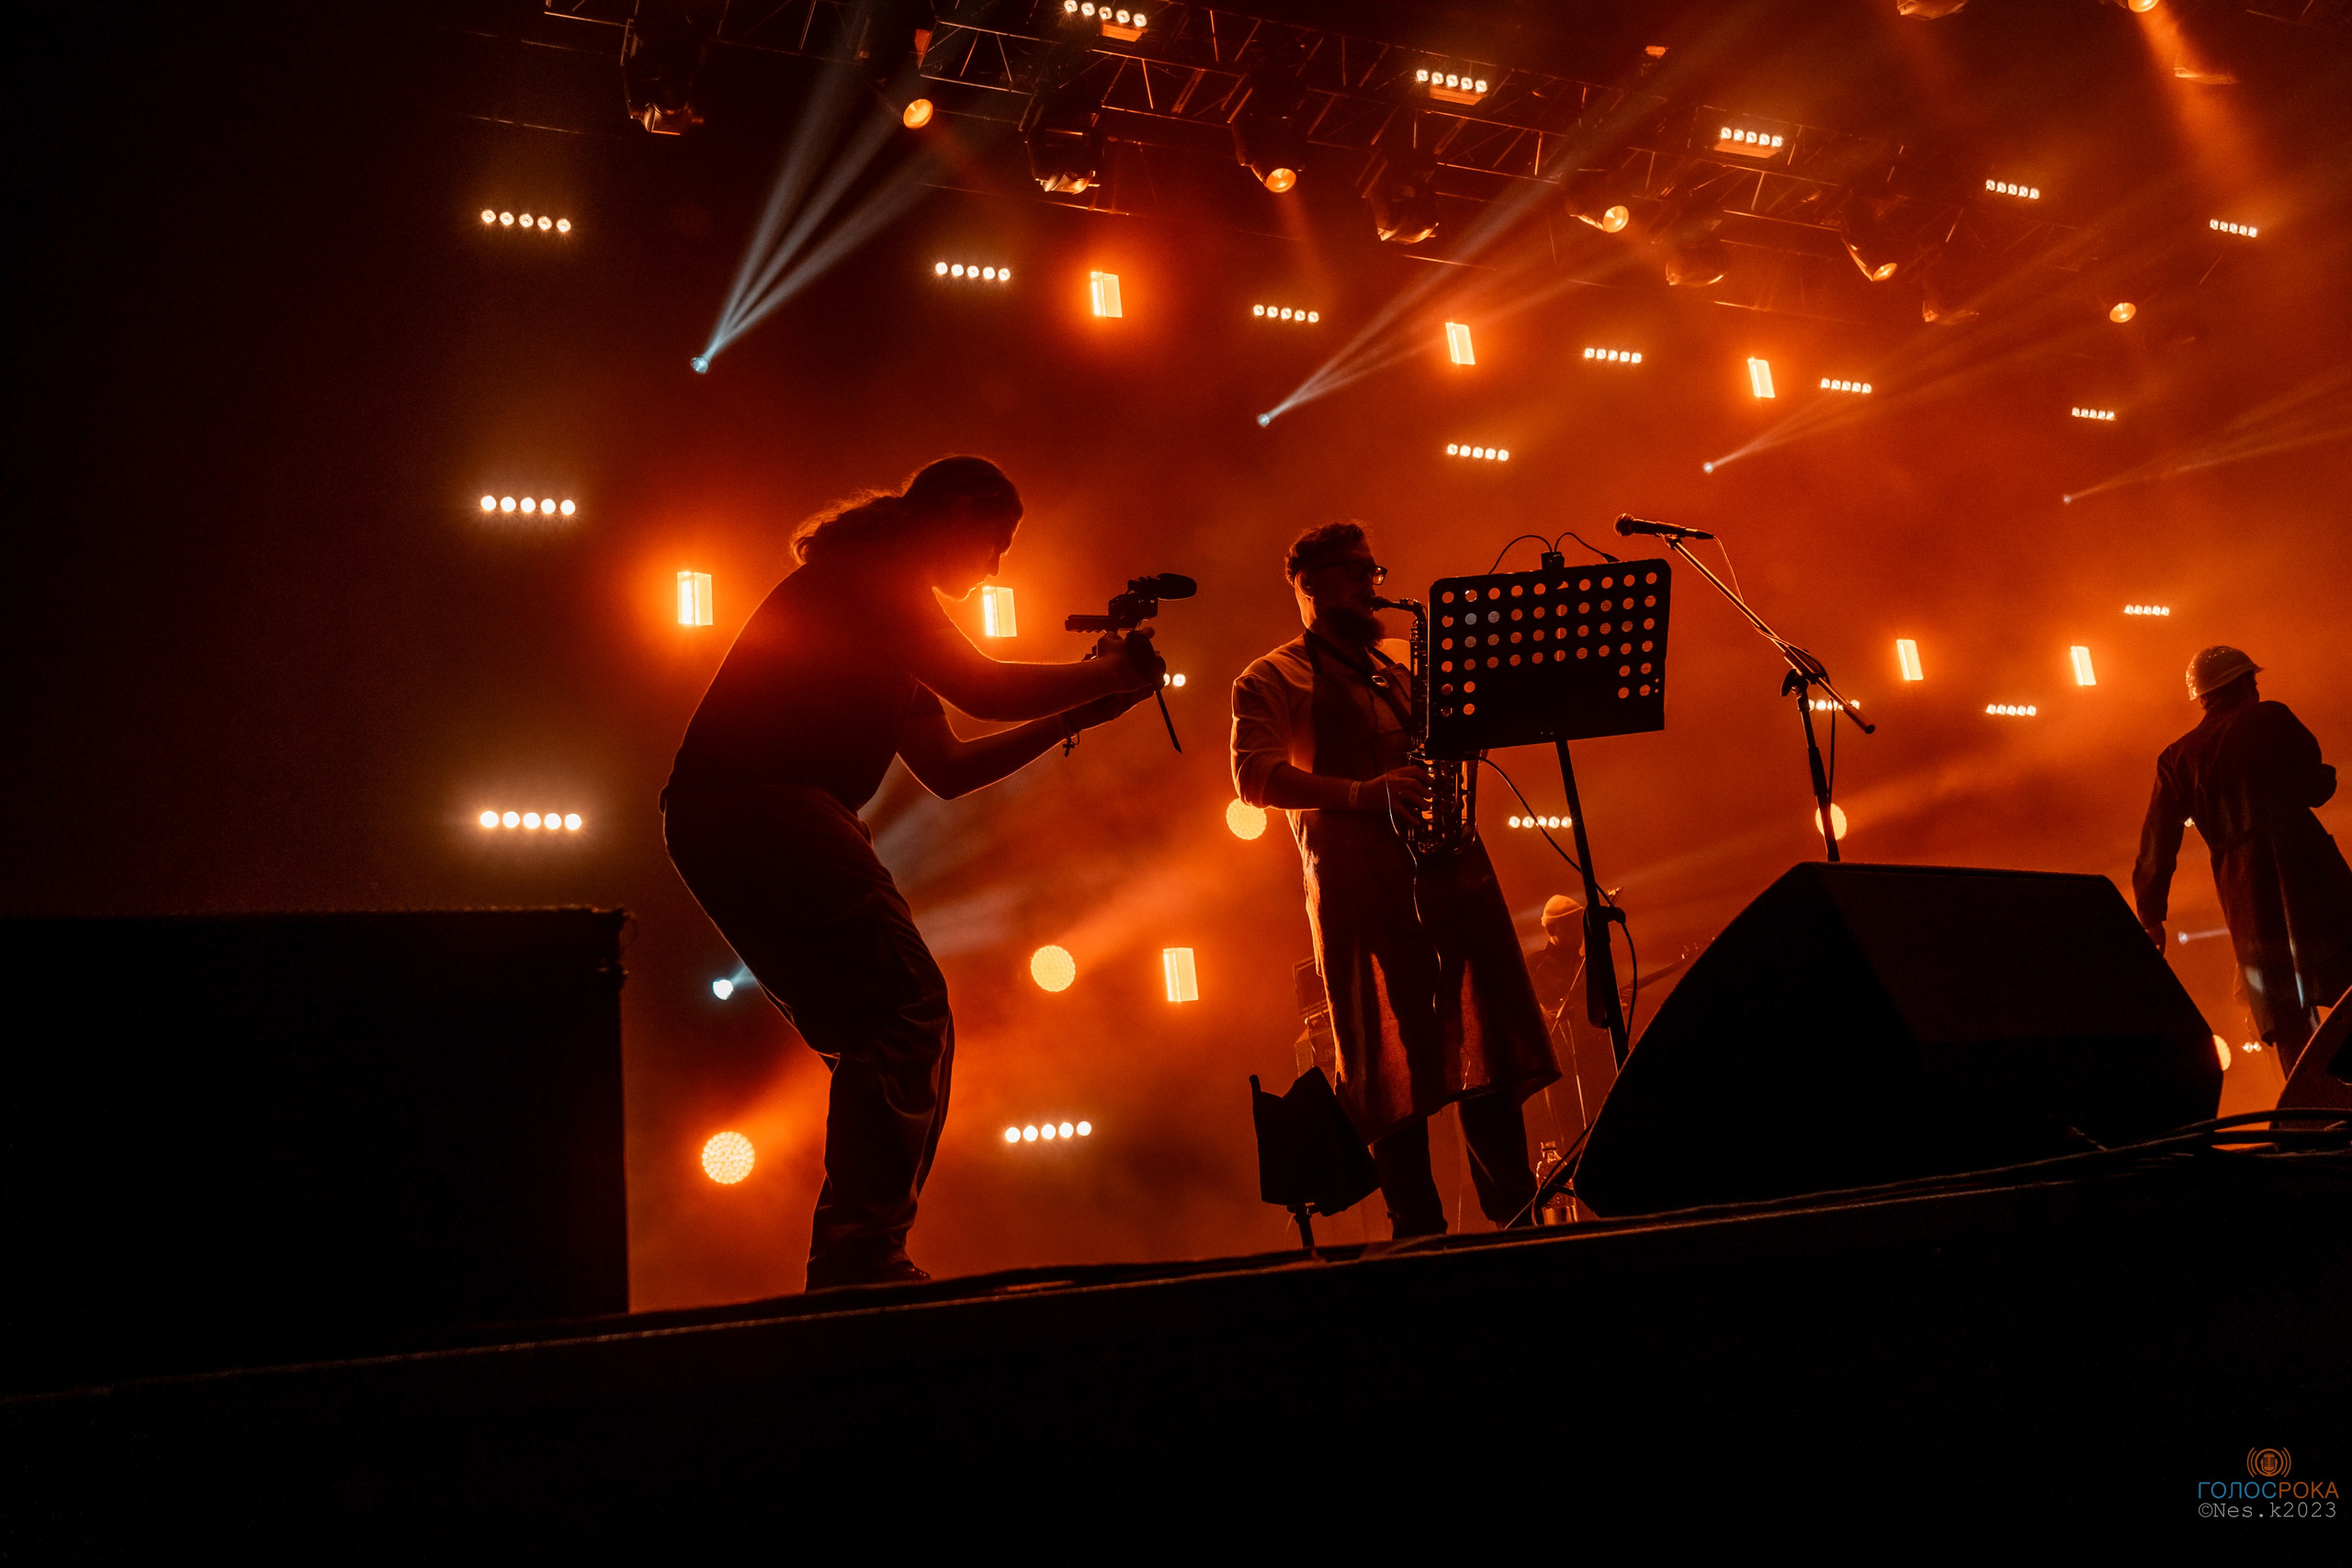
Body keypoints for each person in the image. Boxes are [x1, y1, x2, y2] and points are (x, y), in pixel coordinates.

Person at [662, 457, 1163, 1289]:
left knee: (887, 1026)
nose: (996, 565)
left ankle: (860, 1253)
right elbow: (988, 689)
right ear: (956, 512)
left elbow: (948, 766)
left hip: (736, 816)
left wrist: (1080, 710)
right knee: (905, 1010)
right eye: (995, 542)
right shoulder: (880, 581)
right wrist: (1111, 673)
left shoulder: (871, 597)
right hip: (771, 807)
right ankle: (861, 1254)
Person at [1230, 522, 1557, 1236]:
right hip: (1359, 883)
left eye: (1374, 569)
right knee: (1385, 1055)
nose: (1372, 583)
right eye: (1354, 571)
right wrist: (1363, 792)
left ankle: (1516, 1222)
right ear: (1308, 583)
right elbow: (1254, 777)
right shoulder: (1271, 674)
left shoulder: (1401, 665)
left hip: (1449, 869)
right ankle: (1419, 1231)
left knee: (1488, 1044)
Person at [2133, 646, 2352, 1068]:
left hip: (2245, 889)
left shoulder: (2177, 758)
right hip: (2307, 868)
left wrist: (2151, 915)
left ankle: (2306, 1117)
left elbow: (2157, 845)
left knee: (2285, 1010)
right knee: (2347, 984)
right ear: (2245, 684)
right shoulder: (2271, 718)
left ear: (2202, 697)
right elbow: (2316, 788)